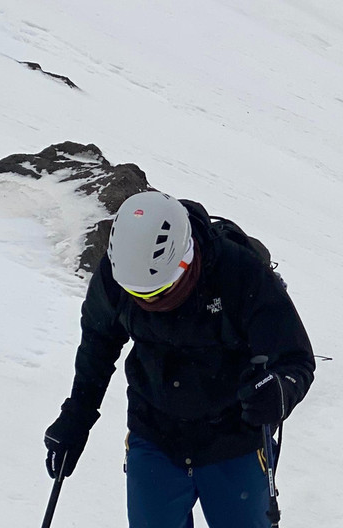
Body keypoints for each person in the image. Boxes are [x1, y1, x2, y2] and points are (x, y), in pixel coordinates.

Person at [44, 191, 315, 528]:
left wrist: (278, 391)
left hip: (235, 440)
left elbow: (294, 358)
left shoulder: (238, 272)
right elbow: (98, 343)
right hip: (156, 436)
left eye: (157, 292)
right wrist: (76, 416)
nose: (148, 303)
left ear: (185, 260)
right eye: (138, 294)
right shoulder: (118, 274)